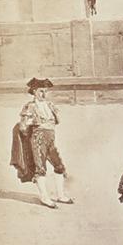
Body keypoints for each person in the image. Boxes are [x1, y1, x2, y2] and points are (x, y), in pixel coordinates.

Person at [16, 78, 72, 208]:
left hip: (50, 138)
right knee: (40, 168)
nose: (44, 94)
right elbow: (23, 127)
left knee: (59, 166)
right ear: (34, 91)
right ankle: (44, 197)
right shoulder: (30, 106)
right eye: (41, 91)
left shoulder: (50, 105)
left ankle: (60, 195)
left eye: (45, 91)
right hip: (38, 138)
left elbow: (57, 121)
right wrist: (32, 124)